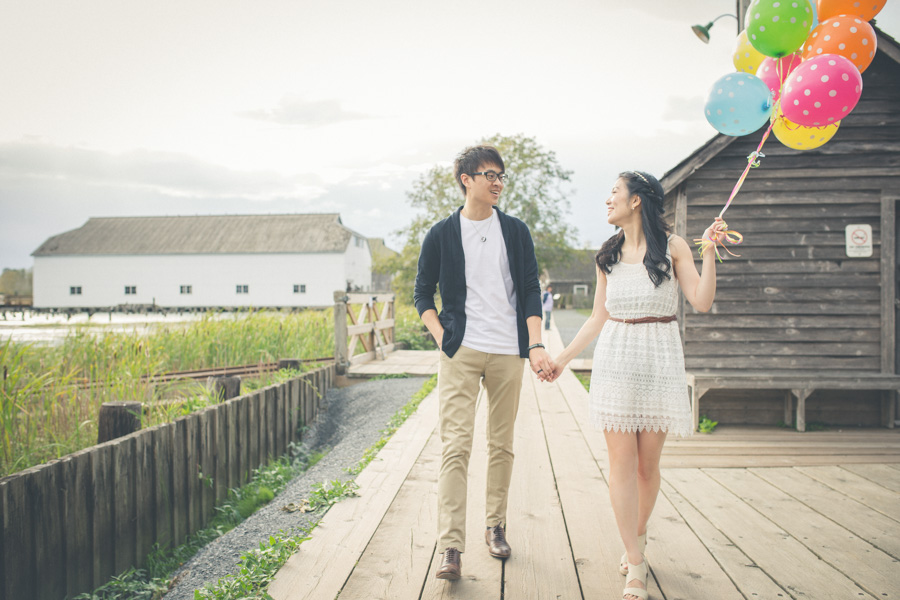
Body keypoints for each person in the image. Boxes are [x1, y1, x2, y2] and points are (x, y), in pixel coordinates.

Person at [547, 170, 725, 600]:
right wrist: (562, 360)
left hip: (659, 359)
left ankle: (637, 537)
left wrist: (710, 252)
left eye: (614, 193)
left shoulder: (674, 247)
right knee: (621, 465)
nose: (608, 201)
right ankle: (636, 565)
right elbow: (597, 316)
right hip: (615, 360)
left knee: (648, 467)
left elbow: (700, 302)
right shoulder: (606, 255)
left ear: (637, 201)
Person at [414, 144, 554, 581]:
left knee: (501, 444)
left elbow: (530, 290)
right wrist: (443, 339)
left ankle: (495, 526)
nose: (497, 182)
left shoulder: (515, 231)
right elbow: (422, 293)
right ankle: (450, 547)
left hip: (507, 352)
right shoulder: (441, 233)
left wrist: (534, 345)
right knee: (455, 446)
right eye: (489, 174)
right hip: (462, 351)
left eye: (501, 176)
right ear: (466, 180)